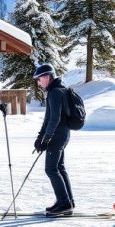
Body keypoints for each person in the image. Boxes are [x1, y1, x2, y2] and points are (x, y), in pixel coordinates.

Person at [32, 64, 75, 217]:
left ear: (47, 77)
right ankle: (67, 201)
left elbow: (53, 119)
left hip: (57, 136)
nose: (38, 83)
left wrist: (46, 139)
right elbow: (49, 118)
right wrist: (40, 137)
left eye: (39, 79)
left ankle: (64, 203)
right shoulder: (59, 90)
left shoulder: (54, 93)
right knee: (59, 167)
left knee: (51, 169)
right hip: (63, 134)